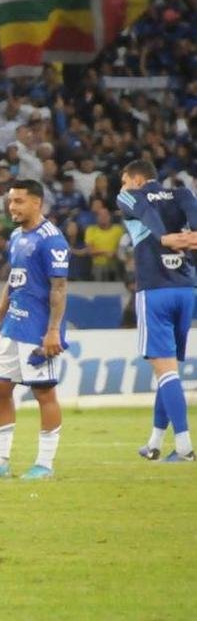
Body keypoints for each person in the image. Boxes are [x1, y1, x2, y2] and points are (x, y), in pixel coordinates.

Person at [0, 180, 69, 480]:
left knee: (44, 392)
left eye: (19, 201)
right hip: (13, 325)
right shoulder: (16, 236)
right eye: (11, 201)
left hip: (37, 329)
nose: (12, 207)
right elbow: (14, 281)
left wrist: (53, 331)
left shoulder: (52, 240)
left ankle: (45, 465)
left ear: (37, 203)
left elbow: (59, 287)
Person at [117, 159, 197, 462]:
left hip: (154, 289)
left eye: (124, 180)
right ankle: (154, 442)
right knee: (169, 371)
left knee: (164, 372)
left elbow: (147, 213)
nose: (122, 187)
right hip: (187, 288)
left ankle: (185, 446)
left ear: (136, 179)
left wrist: (163, 236)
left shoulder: (129, 196)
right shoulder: (181, 194)